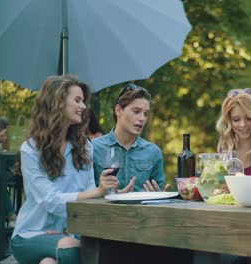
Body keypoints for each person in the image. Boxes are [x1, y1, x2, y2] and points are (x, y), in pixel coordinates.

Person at [10, 75, 134, 264]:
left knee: (49, 262)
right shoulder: (30, 149)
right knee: (81, 250)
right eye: (77, 100)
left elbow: (90, 196)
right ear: (58, 102)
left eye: (83, 101)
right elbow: (51, 201)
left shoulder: (84, 146)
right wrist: (95, 192)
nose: (84, 107)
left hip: (67, 235)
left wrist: (110, 194)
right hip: (30, 236)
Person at [92, 83, 168, 192]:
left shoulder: (153, 152)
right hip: (102, 209)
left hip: (141, 209)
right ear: (118, 110)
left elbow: (158, 197)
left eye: (146, 114)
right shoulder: (93, 148)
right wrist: (101, 192)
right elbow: (84, 193)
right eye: (136, 111)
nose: (142, 118)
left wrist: (158, 197)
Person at [216, 88, 251, 175]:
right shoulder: (225, 149)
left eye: (249, 118)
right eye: (236, 120)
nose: (243, 124)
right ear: (229, 121)